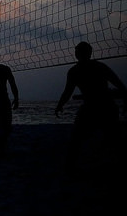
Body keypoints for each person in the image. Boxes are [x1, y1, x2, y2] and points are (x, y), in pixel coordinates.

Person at [54, 41, 127, 169]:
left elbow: (67, 92)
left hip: (99, 107)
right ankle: (71, 166)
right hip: (102, 106)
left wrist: (60, 105)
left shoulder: (77, 71)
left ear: (80, 54)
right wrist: (60, 105)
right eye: (77, 50)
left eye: (78, 51)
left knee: (80, 138)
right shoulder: (95, 67)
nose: (77, 53)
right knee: (113, 139)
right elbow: (119, 85)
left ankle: (71, 166)